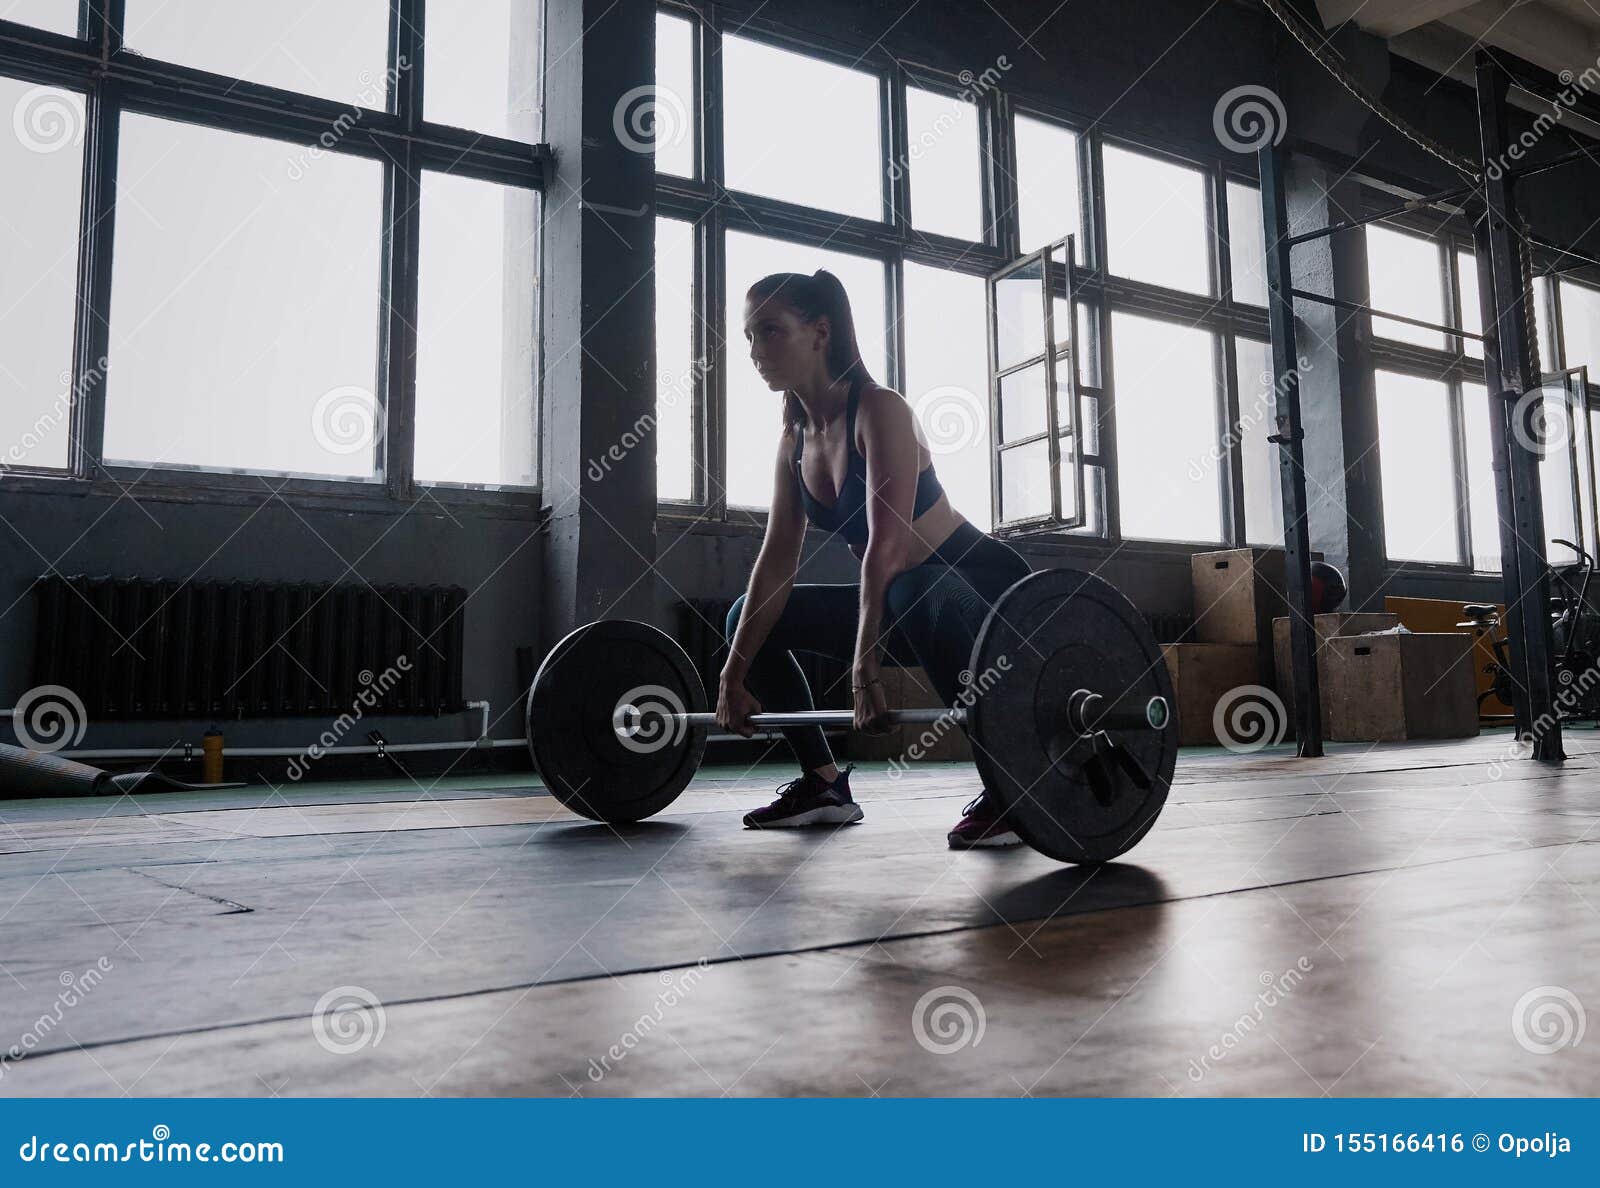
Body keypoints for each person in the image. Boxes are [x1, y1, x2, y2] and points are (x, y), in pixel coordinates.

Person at [717, 269, 1031, 849]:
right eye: (749, 337)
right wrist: (732, 673)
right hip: (904, 598)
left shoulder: (880, 410)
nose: (755, 351)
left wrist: (865, 671)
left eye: (769, 331)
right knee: (745, 618)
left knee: (915, 590)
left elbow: (888, 546)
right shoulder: (793, 441)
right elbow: (777, 560)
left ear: (819, 332)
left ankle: (1015, 787)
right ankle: (825, 785)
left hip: (985, 590)